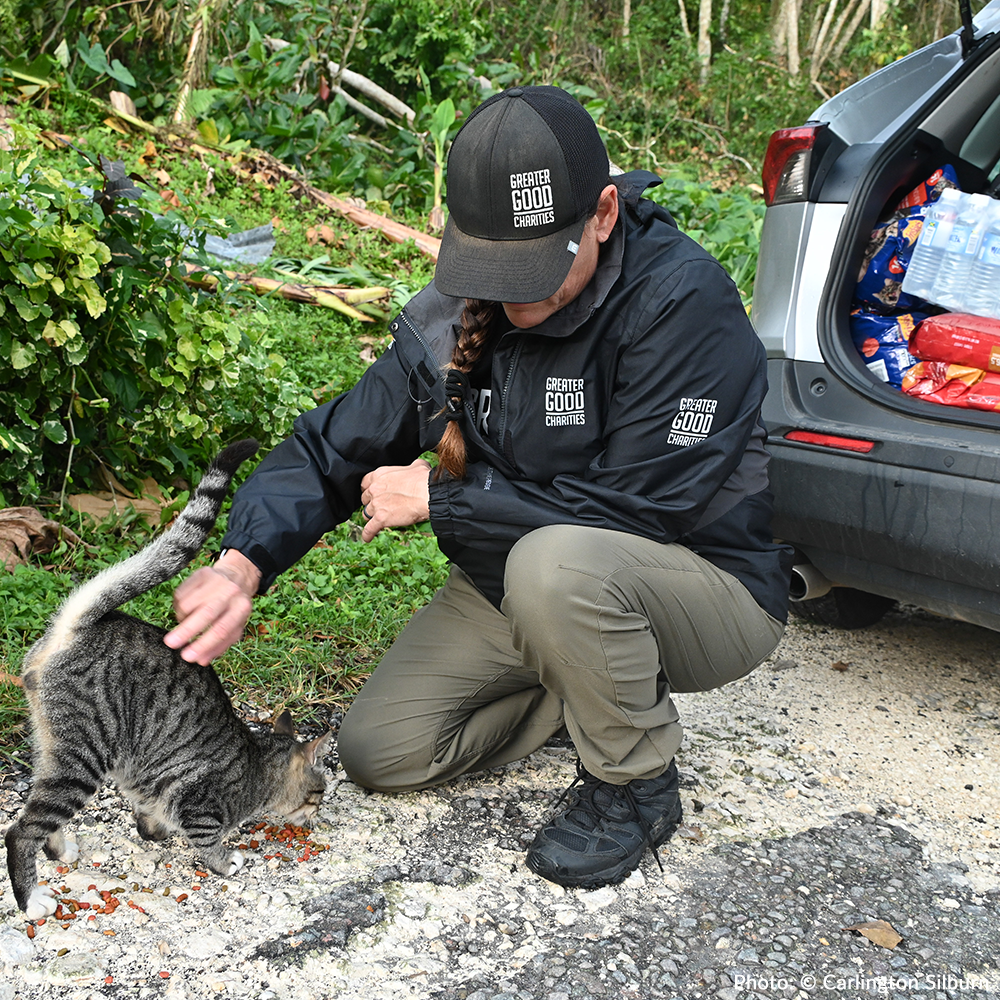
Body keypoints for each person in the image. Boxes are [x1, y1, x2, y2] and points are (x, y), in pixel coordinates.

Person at [165, 85, 792, 890]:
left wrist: (443, 496)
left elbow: (642, 514)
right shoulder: (458, 312)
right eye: (494, 268)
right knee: (381, 750)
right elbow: (332, 448)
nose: (514, 294)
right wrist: (239, 565)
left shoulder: (681, 304)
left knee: (555, 567)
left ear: (603, 213)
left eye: (535, 266)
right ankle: (586, 682)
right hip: (522, 582)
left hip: (701, 584)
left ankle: (636, 784)